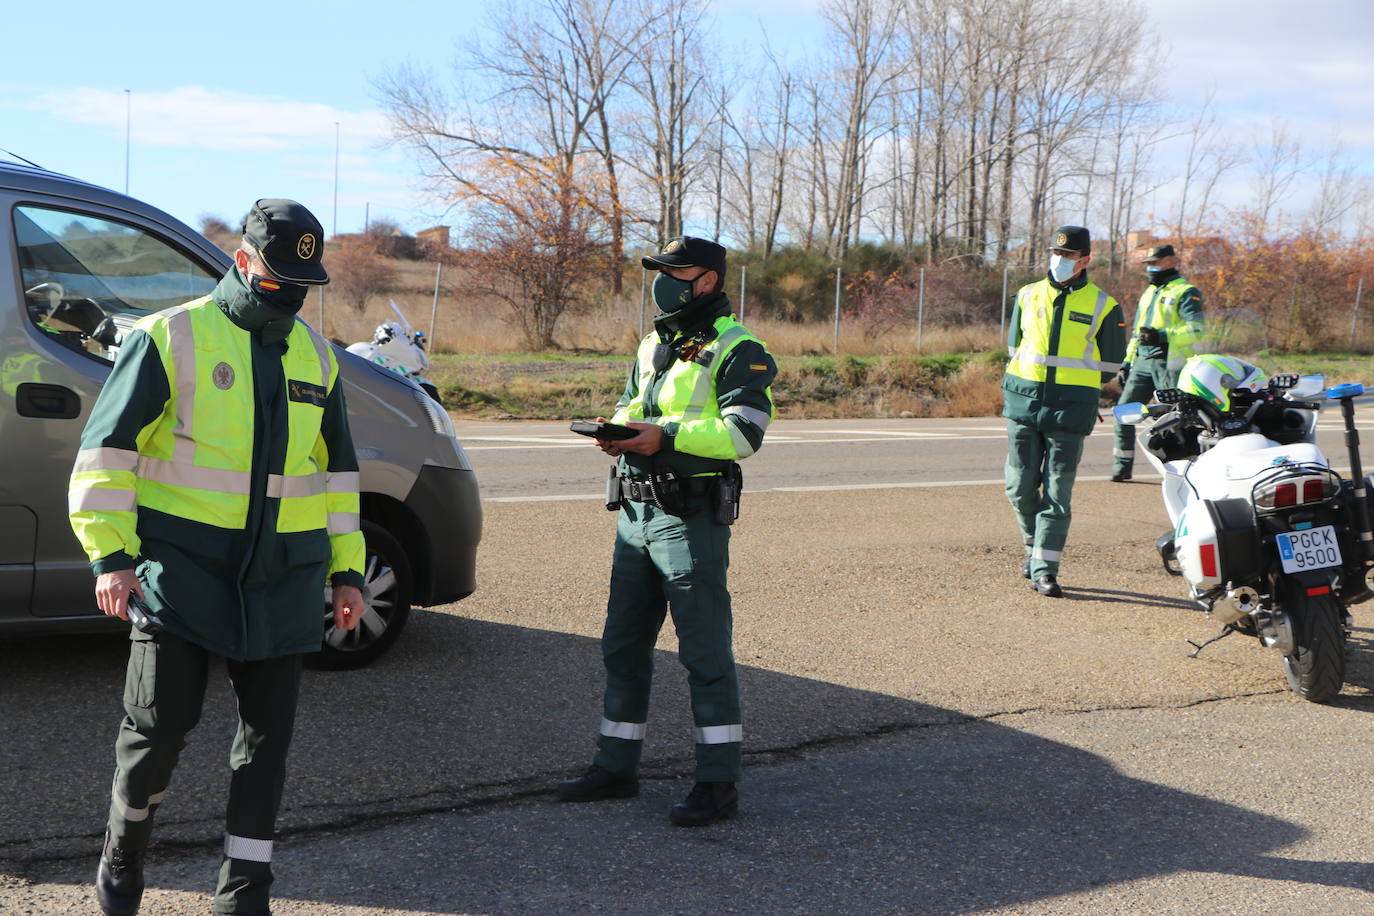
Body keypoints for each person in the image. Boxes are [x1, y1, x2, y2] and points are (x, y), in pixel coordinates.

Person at [69, 199, 367, 916]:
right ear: (242, 261)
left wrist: (347, 571)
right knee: (156, 734)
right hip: (183, 572)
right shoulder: (169, 337)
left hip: (285, 580)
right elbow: (105, 455)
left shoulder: (318, 360)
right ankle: (124, 855)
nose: (291, 293)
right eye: (277, 274)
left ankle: (243, 893)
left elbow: (339, 480)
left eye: (304, 281)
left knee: (265, 751)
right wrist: (111, 555)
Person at [556, 236, 777, 826]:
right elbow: (635, 403)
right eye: (660, 270)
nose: (663, 280)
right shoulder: (655, 340)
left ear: (707, 280)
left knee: (704, 652)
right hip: (636, 513)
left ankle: (717, 784)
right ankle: (615, 767)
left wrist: (667, 437)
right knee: (623, 645)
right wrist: (618, 431)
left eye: (675, 271)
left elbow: (743, 435)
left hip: (689, 517)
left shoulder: (740, 349)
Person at [1003, 225, 1127, 597]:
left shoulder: (1104, 306)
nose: (1058, 260)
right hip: (1024, 403)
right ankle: (1033, 545)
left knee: (1057, 493)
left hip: (1070, 411)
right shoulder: (1026, 295)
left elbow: (1111, 364)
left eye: (1068, 255)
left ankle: (1045, 568)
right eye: (1055, 253)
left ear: (1085, 260)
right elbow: (1014, 348)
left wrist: (1080, 388)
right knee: (1020, 488)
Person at [1111, 244, 1206, 481]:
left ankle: (1184, 468)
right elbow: (1137, 332)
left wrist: (1163, 336)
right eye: (1148, 264)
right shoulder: (1149, 292)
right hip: (1143, 361)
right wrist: (1126, 362)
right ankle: (1122, 466)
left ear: (1171, 261)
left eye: (1156, 262)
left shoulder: (1186, 291)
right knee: (1124, 411)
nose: (1151, 268)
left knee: (1177, 418)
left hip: (1168, 362)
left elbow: (1197, 330)